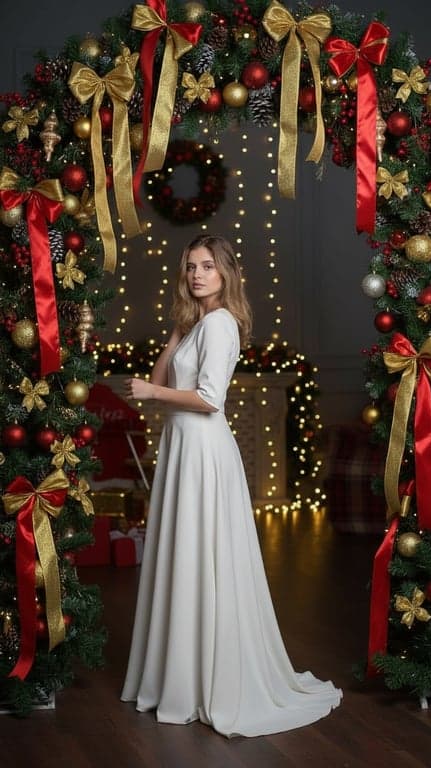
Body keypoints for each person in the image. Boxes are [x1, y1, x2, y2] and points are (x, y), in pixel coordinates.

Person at [120, 234, 342, 737]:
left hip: (202, 450)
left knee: (203, 555)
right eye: (191, 267)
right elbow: (160, 383)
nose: (197, 274)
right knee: (182, 553)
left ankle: (205, 679)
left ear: (225, 273)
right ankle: (179, 673)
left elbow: (208, 399)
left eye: (207, 266)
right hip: (183, 447)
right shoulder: (198, 325)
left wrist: (155, 389)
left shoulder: (221, 325)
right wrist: (175, 337)